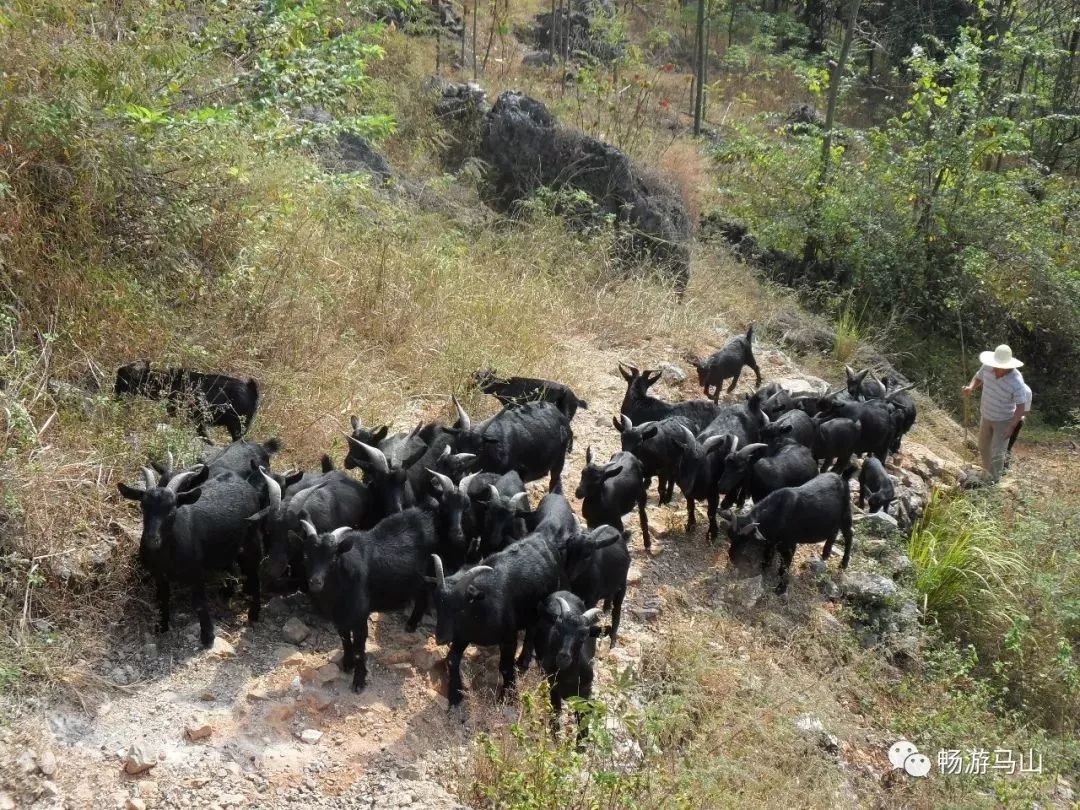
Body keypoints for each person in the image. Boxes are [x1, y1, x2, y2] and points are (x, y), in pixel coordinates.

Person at [961, 344, 1027, 484]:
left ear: (1008, 366)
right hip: (986, 414)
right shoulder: (987, 367)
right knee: (983, 445)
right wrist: (971, 387)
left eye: (1000, 367)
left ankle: (994, 481)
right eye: (996, 366)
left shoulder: (1016, 381)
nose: (996, 369)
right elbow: (978, 377)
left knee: (998, 452)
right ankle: (986, 473)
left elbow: (1021, 406)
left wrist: (1012, 426)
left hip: (1004, 420)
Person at [1003, 381, 1032, 471]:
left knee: (1005, 445)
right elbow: (1026, 411)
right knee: (1006, 445)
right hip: (1013, 420)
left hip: (1011, 420)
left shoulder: (1025, 390)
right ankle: (1003, 468)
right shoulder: (1026, 390)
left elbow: (1025, 411)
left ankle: (1002, 468)